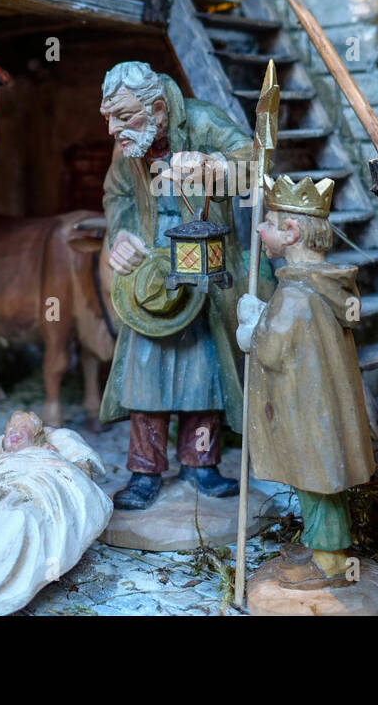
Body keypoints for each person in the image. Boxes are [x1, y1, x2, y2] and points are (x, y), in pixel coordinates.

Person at [98, 61, 250, 510]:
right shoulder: (129, 146)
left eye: (123, 117)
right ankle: (145, 470)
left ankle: (200, 463)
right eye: (109, 118)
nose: (113, 130)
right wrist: (121, 235)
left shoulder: (202, 122)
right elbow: (116, 195)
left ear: (159, 109)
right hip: (150, 276)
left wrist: (212, 166)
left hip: (203, 265)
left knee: (203, 372)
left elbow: (253, 164)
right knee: (145, 373)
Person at [235, 175, 375, 588]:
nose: (260, 231)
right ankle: (320, 548)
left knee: (318, 479)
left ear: (291, 232)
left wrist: (250, 326)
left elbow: (272, 349)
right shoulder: (318, 284)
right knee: (315, 478)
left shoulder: (297, 294)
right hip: (314, 408)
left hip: (308, 413)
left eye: (268, 223)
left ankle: (330, 561)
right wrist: (264, 314)